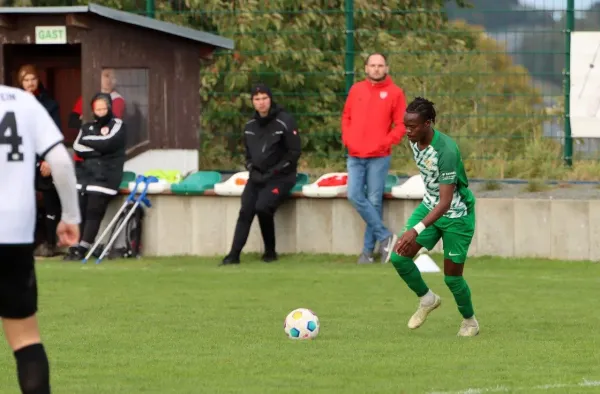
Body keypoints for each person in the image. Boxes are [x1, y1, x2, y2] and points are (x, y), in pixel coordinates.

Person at [0, 84, 81, 393]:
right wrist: (70, 215)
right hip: (14, 234)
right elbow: (60, 160)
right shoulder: (22, 101)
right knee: (25, 339)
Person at [386, 97, 479, 337]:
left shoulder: (446, 151)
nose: (407, 131)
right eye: (406, 125)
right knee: (399, 257)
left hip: (456, 215)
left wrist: (415, 229)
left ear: (428, 123)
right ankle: (427, 299)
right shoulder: (414, 140)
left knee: (452, 278)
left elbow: (446, 203)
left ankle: (470, 322)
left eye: (413, 126)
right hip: (430, 206)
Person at [221, 84, 301, 265]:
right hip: (257, 176)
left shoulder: (285, 121)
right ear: (252, 102)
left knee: (263, 207)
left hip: (281, 177)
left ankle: (270, 251)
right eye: (257, 99)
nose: (261, 103)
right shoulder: (250, 126)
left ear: (270, 99)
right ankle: (233, 255)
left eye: (264, 98)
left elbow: (294, 153)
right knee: (246, 210)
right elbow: (248, 155)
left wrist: (274, 172)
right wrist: (251, 169)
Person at [341, 53, 407, 264]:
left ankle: (367, 253)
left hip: (379, 156)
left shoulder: (395, 93)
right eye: (373, 65)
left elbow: (403, 124)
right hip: (355, 154)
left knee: (374, 201)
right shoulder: (356, 89)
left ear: (386, 68)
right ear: (366, 68)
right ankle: (385, 236)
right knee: (354, 194)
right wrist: (348, 139)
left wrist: (385, 143)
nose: (376, 69)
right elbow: (346, 116)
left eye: (380, 65)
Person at [63, 93, 127, 261]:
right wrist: (99, 150)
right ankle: (74, 247)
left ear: (109, 108)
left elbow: (109, 143)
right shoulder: (87, 127)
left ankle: (83, 248)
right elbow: (78, 146)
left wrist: (93, 145)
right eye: (97, 109)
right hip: (85, 175)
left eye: (103, 108)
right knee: (79, 210)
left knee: (93, 210)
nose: (100, 112)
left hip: (106, 177)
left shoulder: (118, 125)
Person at [17, 64, 63, 257]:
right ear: (21, 83)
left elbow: (53, 133)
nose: (30, 83)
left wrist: (48, 159)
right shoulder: (13, 103)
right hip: (21, 160)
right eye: (26, 80)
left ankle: (51, 243)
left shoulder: (50, 105)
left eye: (33, 79)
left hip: (43, 158)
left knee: (51, 200)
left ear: (38, 80)